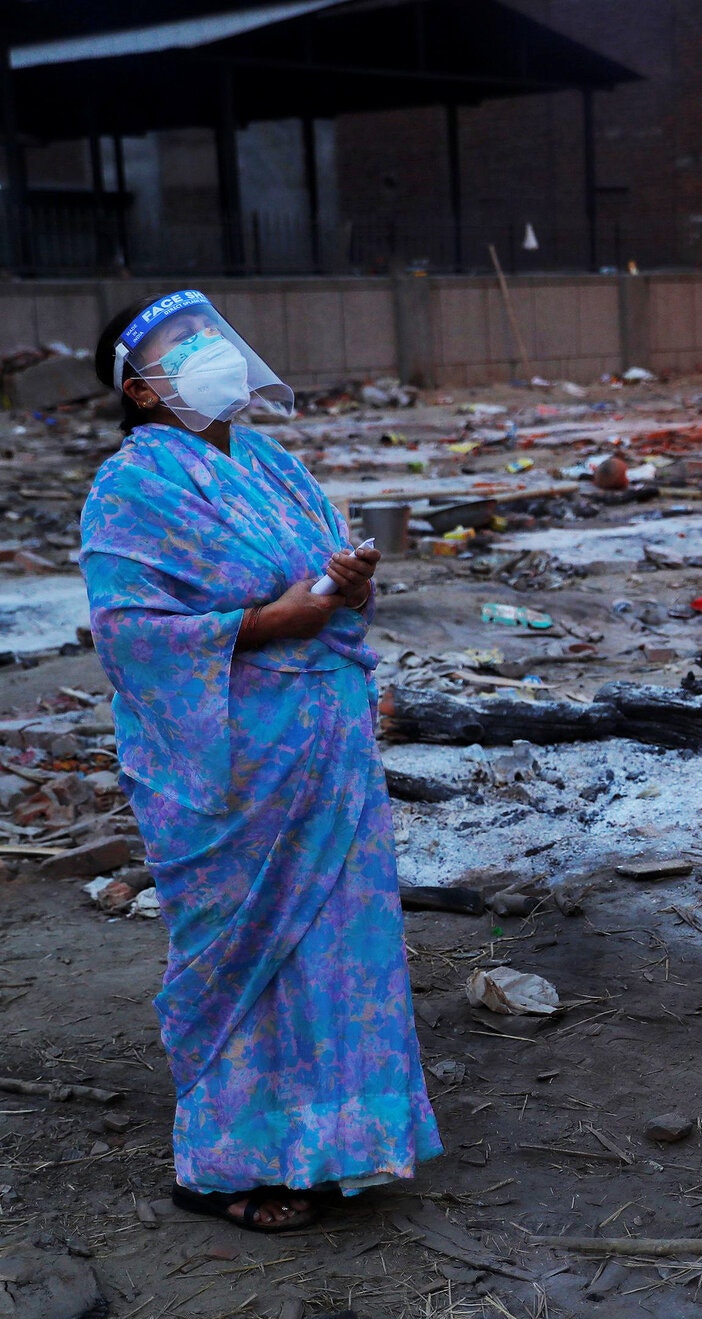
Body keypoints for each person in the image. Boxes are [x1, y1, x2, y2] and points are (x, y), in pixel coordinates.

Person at [80, 290, 440, 1231]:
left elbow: (325, 580)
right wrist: (274, 621)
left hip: (327, 754)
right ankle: (227, 1165)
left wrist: (347, 583)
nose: (207, 352)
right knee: (250, 960)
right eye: (177, 345)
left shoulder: (274, 463)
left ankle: (335, 1147)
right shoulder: (131, 487)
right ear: (142, 389)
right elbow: (129, 636)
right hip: (235, 767)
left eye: (208, 335)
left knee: (336, 952)